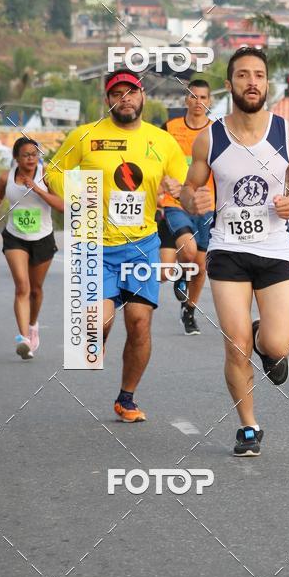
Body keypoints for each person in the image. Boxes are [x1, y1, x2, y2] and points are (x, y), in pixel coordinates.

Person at [181, 47, 289, 456]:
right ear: (229, 84)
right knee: (234, 345)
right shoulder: (211, 137)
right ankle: (248, 426)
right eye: (242, 75)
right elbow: (188, 188)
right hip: (228, 249)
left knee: (278, 347)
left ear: (267, 83)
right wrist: (192, 201)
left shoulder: (286, 132)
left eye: (258, 75)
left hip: (274, 250)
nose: (251, 82)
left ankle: (262, 337)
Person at [46, 68, 188, 422]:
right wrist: (81, 198)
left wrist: (176, 190)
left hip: (141, 244)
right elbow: (53, 171)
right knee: (96, 324)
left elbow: (183, 187)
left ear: (142, 96)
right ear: (107, 100)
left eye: (130, 92)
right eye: (116, 94)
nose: (124, 99)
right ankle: (97, 336)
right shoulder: (86, 135)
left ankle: (126, 398)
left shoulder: (163, 141)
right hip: (94, 244)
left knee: (140, 322)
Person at [0, 138, 62, 359]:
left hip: (42, 238)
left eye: (34, 154)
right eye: (26, 154)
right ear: (16, 158)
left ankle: (32, 325)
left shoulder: (47, 174)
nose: (31, 158)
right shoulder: (6, 177)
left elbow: (62, 206)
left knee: (36, 289)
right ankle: (23, 339)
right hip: (15, 237)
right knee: (23, 287)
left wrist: (38, 189)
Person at [157, 79, 214, 335]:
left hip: (206, 204)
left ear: (209, 101)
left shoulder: (217, 131)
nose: (198, 102)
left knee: (201, 266)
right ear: (186, 101)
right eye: (193, 96)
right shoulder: (169, 128)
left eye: (203, 97)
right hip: (176, 202)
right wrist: (161, 187)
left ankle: (190, 310)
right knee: (188, 252)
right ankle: (180, 273)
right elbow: (154, 160)